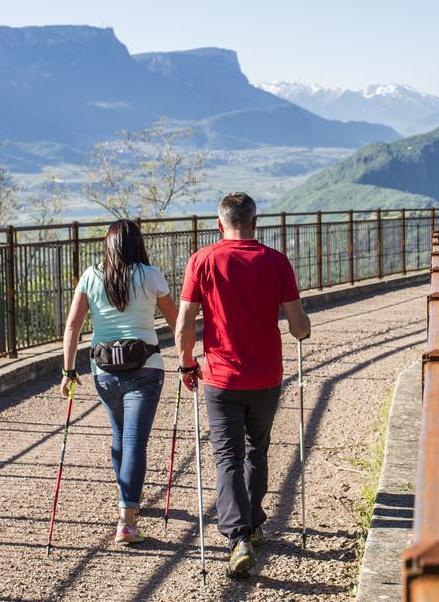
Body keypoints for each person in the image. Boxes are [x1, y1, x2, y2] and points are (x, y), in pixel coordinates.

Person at [175, 192, 311, 578]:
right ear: (255, 222)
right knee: (257, 450)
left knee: (227, 457)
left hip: (219, 378)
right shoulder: (277, 262)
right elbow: (298, 327)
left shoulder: (202, 261)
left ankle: (237, 538)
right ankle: (251, 523)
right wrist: (304, 327)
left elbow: (185, 322)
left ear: (219, 224)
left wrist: (186, 363)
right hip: (266, 377)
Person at [60, 219, 178, 545]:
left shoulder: (90, 275)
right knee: (135, 443)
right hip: (147, 368)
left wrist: (68, 371)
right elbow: (176, 320)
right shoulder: (150, 275)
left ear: (108, 245)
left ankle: (127, 495)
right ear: (137, 243)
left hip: (105, 371)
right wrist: (187, 360)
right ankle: (126, 520)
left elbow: (72, 327)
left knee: (120, 437)